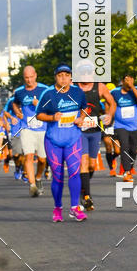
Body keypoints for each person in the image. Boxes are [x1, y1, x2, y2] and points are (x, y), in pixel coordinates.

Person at [36, 64, 88, 222]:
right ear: (55, 77)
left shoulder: (78, 92)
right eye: (60, 75)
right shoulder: (48, 94)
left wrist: (81, 118)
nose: (64, 78)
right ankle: (57, 208)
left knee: (74, 172)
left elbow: (84, 109)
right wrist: (52, 118)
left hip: (73, 139)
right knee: (58, 176)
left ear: (71, 77)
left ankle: (74, 208)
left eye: (67, 75)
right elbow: (39, 115)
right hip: (54, 141)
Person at [76, 80, 116, 210]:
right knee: (84, 162)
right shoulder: (73, 87)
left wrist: (109, 115)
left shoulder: (99, 86)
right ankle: (87, 196)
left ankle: (83, 186)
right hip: (79, 131)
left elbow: (112, 103)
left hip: (95, 131)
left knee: (92, 165)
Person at [13, 66, 49, 197]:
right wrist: (17, 112)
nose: (29, 80)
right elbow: (15, 103)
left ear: (36, 75)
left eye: (31, 77)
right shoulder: (20, 92)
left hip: (43, 128)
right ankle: (32, 185)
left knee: (42, 159)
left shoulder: (44, 89)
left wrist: (39, 104)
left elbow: (52, 105)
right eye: (26, 78)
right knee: (28, 156)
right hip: (26, 128)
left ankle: (38, 177)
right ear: (24, 78)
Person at [110, 74, 137, 183]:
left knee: (133, 150)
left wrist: (132, 87)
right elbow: (109, 103)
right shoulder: (115, 92)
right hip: (120, 125)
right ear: (122, 81)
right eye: (126, 79)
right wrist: (108, 115)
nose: (128, 81)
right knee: (124, 147)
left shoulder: (136, 89)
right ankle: (126, 172)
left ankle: (129, 167)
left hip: (134, 126)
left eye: (131, 79)